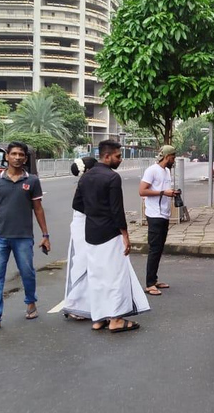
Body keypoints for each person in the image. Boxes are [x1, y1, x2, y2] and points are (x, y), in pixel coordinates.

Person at [72, 140, 149, 333]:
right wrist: (125, 235)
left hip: (91, 233)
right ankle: (115, 319)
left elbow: (78, 205)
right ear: (107, 156)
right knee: (116, 276)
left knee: (97, 277)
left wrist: (94, 213)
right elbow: (117, 210)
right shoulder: (112, 178)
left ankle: (98, 318)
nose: (120, 160)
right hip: (110, 233)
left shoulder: (85, 177)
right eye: (118, 156)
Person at [0, 141, 50, 335]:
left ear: (25, 158)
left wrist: (45, 235)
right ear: (7, 156)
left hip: (23, 237)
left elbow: (38, 209)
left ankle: (31, 302)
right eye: (14, 154)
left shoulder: (32, 180)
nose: (17, 157)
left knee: (27, 273)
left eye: (21, 155)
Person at [139, 145, 179, 296]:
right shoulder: (152, 170)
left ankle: (154, 280)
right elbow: (142, 191)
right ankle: (149, 284)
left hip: (164, 214)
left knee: (159, 248)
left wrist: (171, 193)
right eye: (173, 157)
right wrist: (163, 192)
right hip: (154, 214)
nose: (174, 160)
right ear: (167, 157)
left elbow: (163, 190)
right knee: (154, 249)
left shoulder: (167, 171)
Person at [62, 156, 98, 321]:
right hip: (82, 227)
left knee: (90, 265)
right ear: (89, 171)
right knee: (81, 263)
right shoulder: (85, 186)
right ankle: (74, 304)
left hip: (87, 226)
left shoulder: (87, 184)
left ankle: (87, 304)